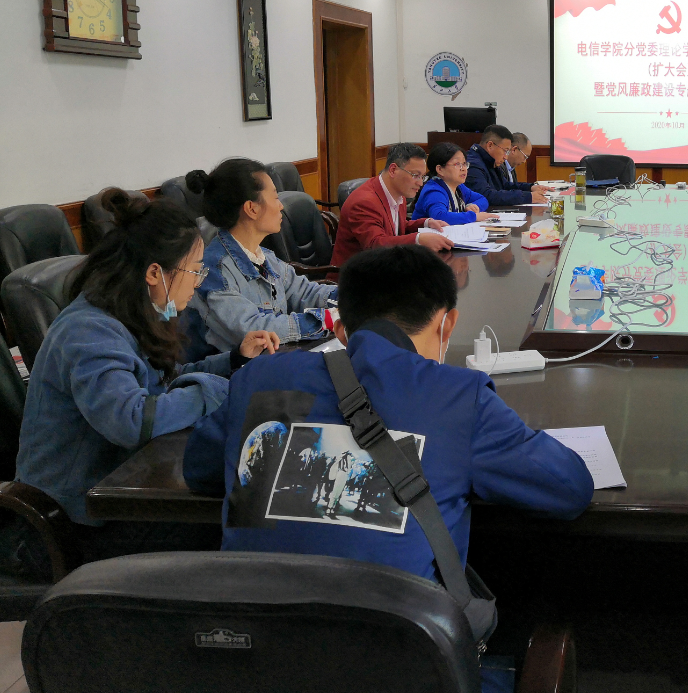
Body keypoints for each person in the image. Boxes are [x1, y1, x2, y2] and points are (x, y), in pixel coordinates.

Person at [183, 244, 594, 585]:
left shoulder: (259, 378)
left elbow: (200, 468)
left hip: (251, 641)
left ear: (341, 330)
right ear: (448, 324)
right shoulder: (458, 397)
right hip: (401, 647)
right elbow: (569, 488)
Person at [14, 189, 278, 563]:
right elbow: (131, 420)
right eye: (194, 270)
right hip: (70, 526)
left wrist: (233, 361)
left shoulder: (127, 312)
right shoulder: (88, 330)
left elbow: (164, 382)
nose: (198, 282)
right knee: (236, 519)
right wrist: (218, 391)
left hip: (113, 497)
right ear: (154, 273)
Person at [185, 159, 338, 357]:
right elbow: (255, 330)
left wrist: (351, 297)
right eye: (275, 197)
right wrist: (326, 319)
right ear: (252, 208)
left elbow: (305, 292)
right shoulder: (214, 270)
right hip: (230, 373)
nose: (281, 206)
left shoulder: (264, 257)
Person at [331, 143, 452, 268]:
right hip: (357, 275)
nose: (420, 183)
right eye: (415, 175)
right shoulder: (364, 202)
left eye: (422, 177)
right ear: (393, 170)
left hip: (385, 268)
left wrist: (426, 223)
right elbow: (375, 245)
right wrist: (418, 239)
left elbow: (395, 228)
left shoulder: (398, 194)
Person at [412, 143, 498, 225]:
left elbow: (482, 199)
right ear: (440, 169)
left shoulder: (459, 187)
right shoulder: (434, 191)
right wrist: (473, 216)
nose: (463, 169)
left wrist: (474, 206)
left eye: (464, 164)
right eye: (457, 164)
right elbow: (439, 216)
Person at [465, 124, 548, 207]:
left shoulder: (490, 161)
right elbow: (487, 195)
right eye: (505, 151)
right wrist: (527, 197)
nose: (506, 157)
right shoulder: (473, 165)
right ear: (490, 145)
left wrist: (530, 188)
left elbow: (505, 185)